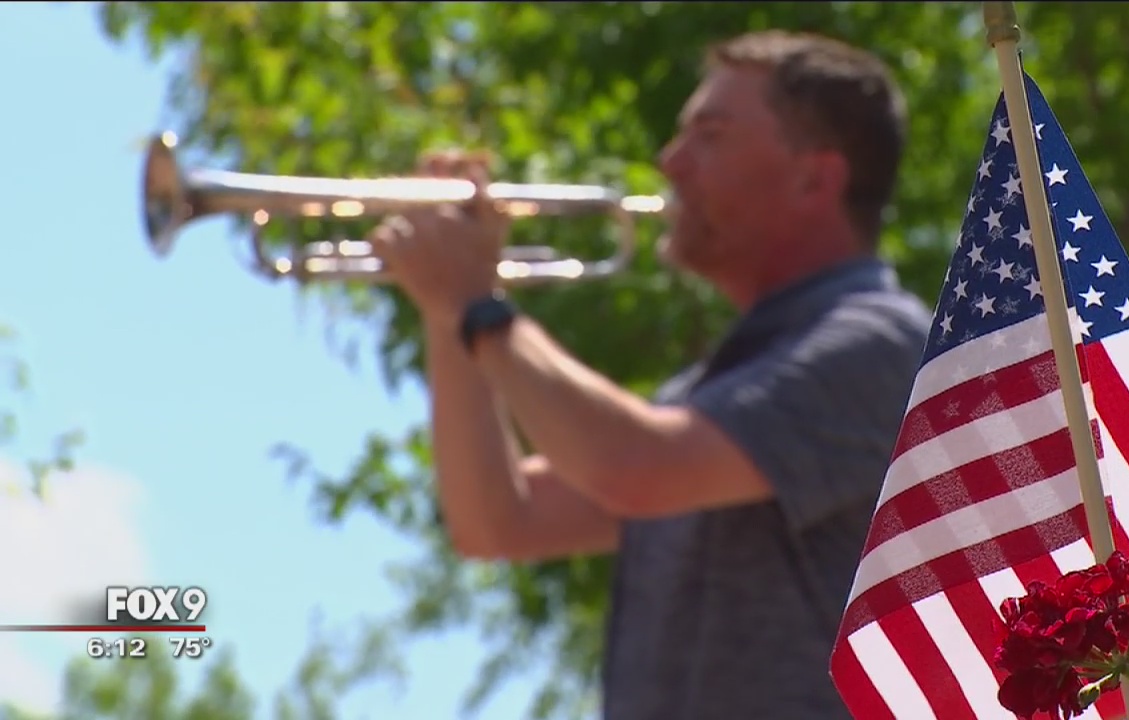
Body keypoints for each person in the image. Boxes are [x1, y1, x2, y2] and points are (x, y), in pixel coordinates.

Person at [368, 29, 933, 720]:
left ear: (814, 178)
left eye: (710, 136)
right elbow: (496, 520)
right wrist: (444, 307)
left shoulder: (880, 342)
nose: (670, 161)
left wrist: (477, 306)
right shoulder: (706, 392)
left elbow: (635, 468)